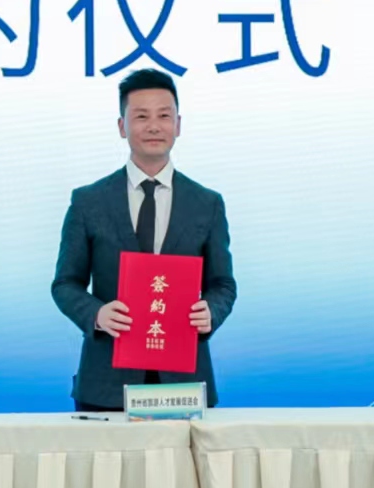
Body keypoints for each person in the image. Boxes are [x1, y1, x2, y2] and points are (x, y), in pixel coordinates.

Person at [51, 69, 237, 411]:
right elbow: (65, 284)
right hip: (106, 383)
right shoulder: (88, 202)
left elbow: (223, 284)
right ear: (122, 126)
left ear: (178, 125)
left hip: (184, 383)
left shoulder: (207, 203)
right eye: (141, 116)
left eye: (164, 116)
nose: (154, 126)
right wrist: (96, 314)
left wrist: (211, 311)